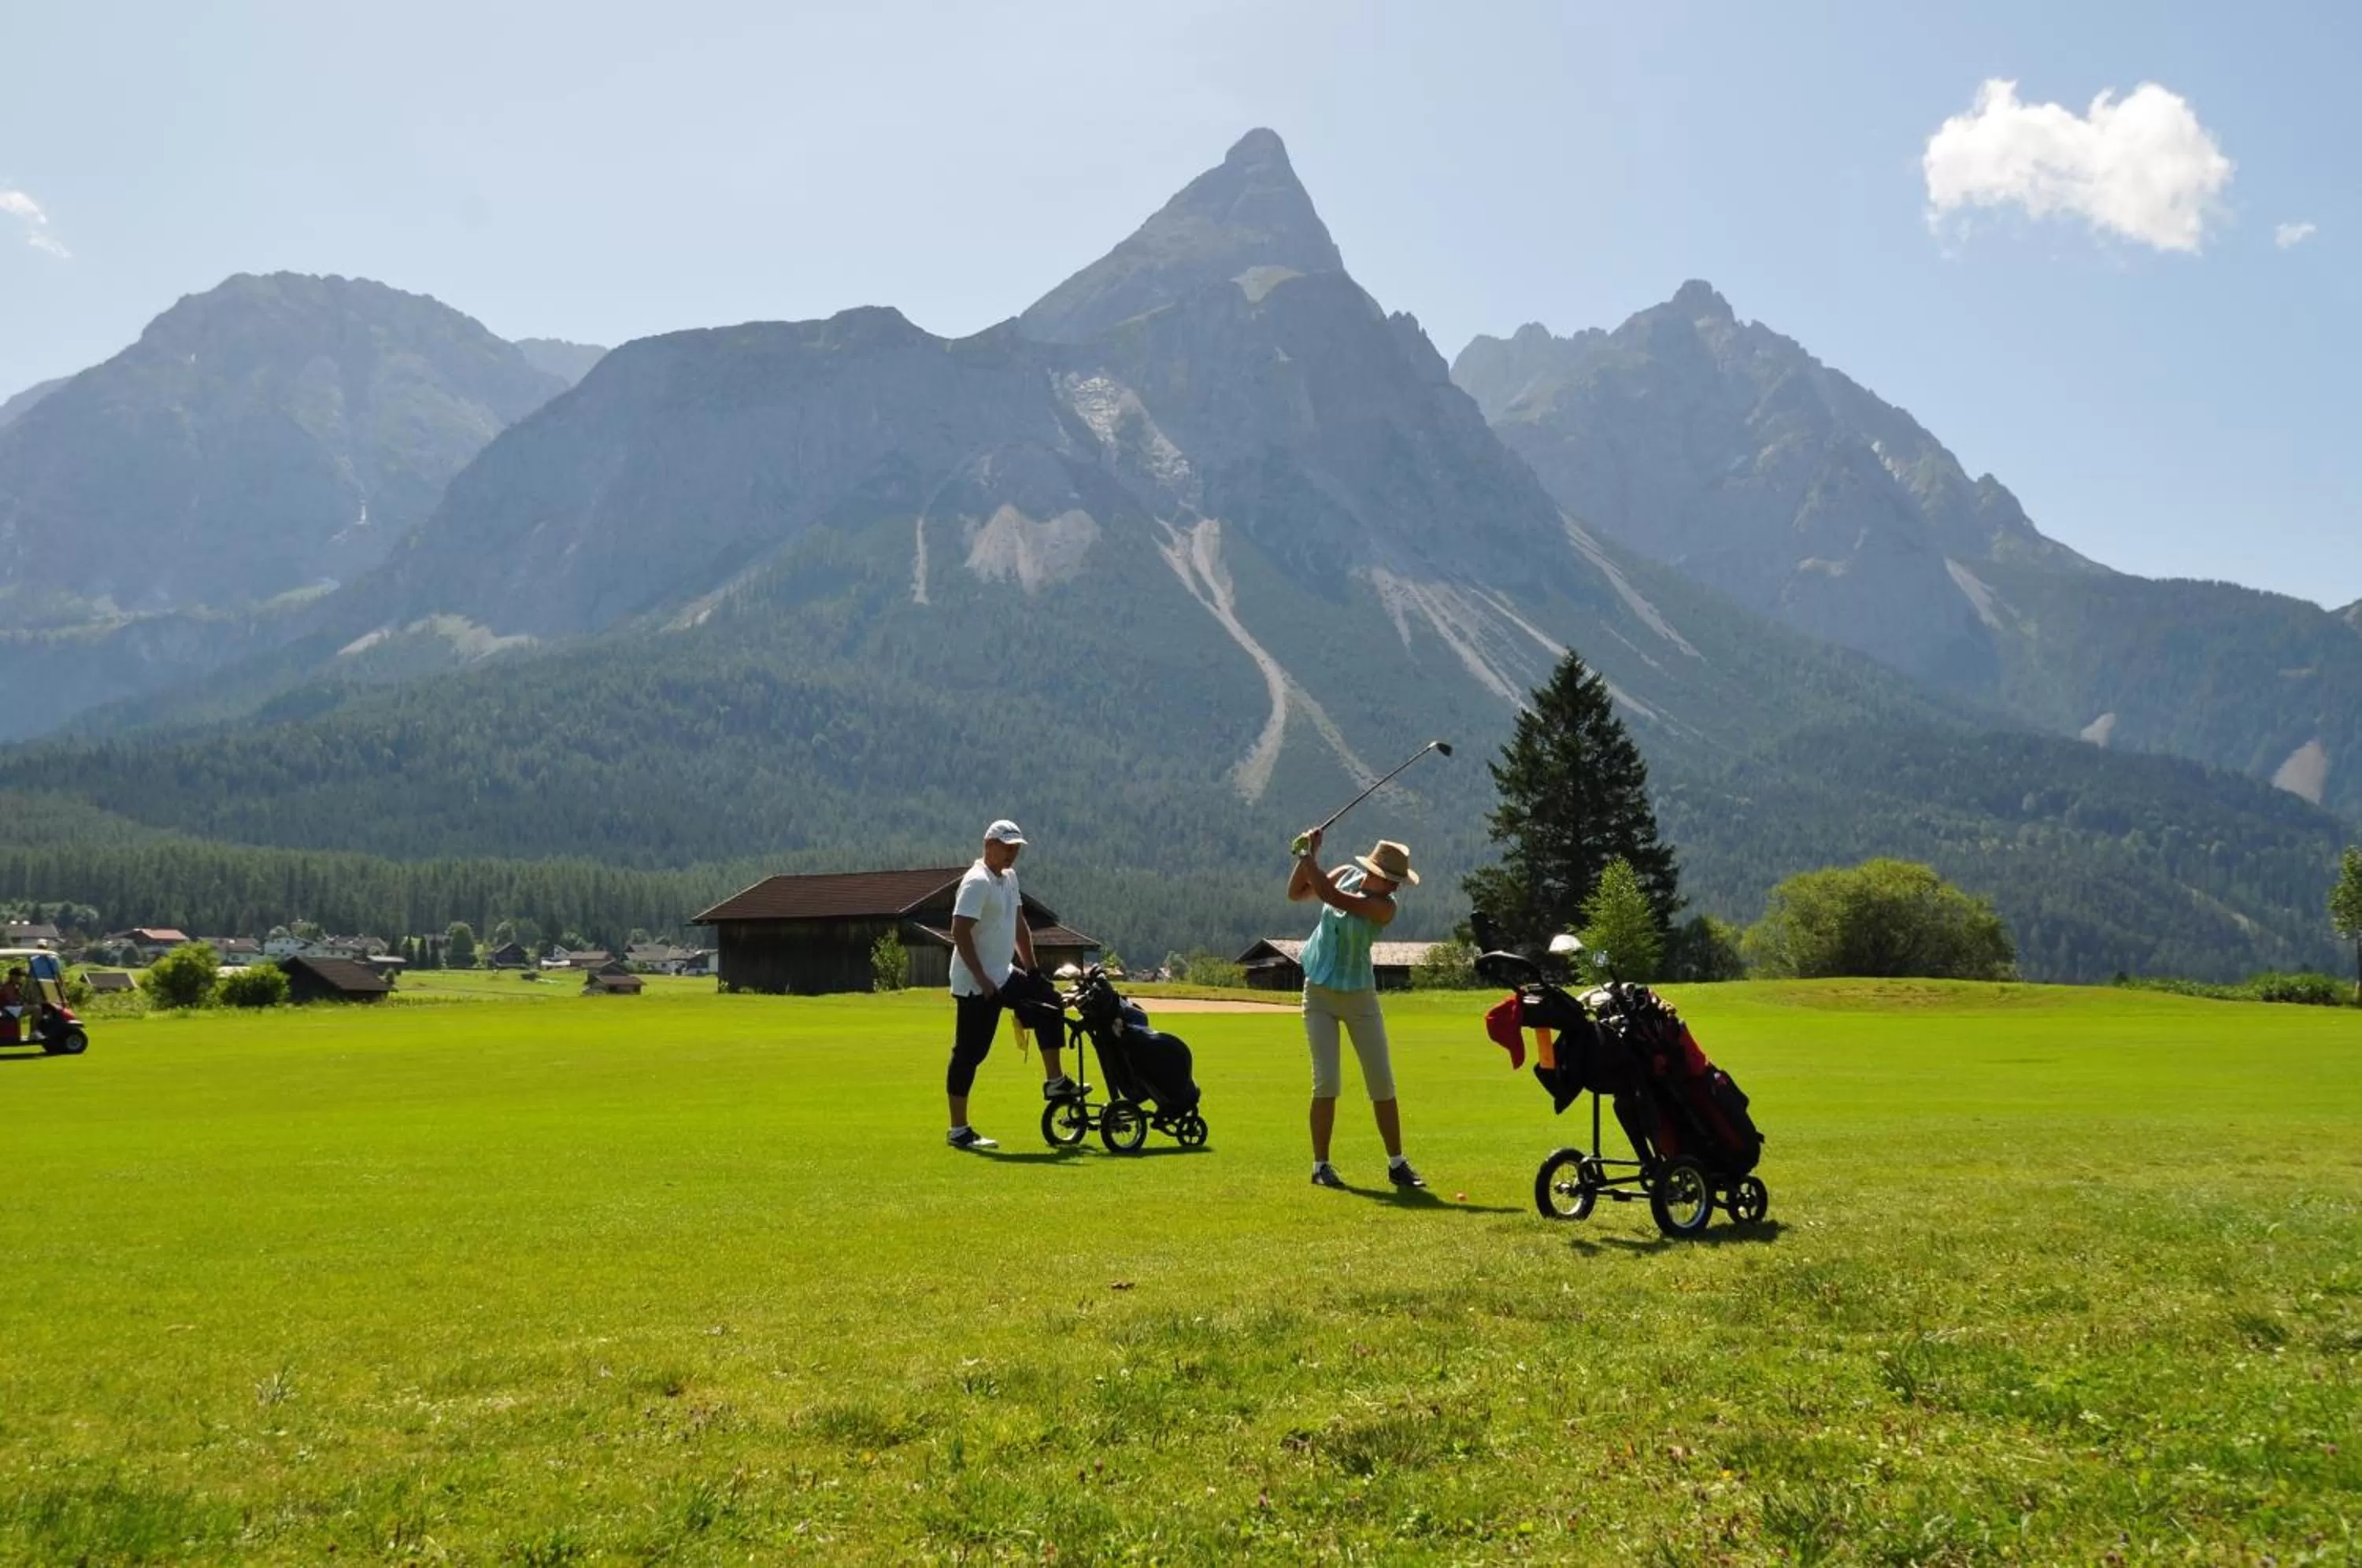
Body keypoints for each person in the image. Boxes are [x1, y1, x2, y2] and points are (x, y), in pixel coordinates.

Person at [1288, 831, 1424, 1189]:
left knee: (1381, 1079)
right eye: (1391, 880)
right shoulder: (1346, 872)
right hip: (1318, 992)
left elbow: (1332, 897)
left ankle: (1397, 1163)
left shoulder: (1385, 908)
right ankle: (1321, 1166)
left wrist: (1307, 856)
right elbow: (1298, 891)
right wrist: (1309, 854)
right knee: (1327, 1081)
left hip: (1359, 997)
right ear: (1374, 871)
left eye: (1397, 883)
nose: (1395, 888)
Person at [944, 819, 1075, 1150]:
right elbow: (959, 933)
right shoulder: (976, 882)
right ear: (989, 845)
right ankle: (959, 1130)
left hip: (1003, 973)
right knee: (970, 1054)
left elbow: (1019, 927)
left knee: (1049, 1003)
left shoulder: (1009, 879)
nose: (1012, 854)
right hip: (976, 983)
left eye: (1016, 848)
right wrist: (983, 980)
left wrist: (1032, 971)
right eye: (1007, 847)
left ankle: (1055, 1082)